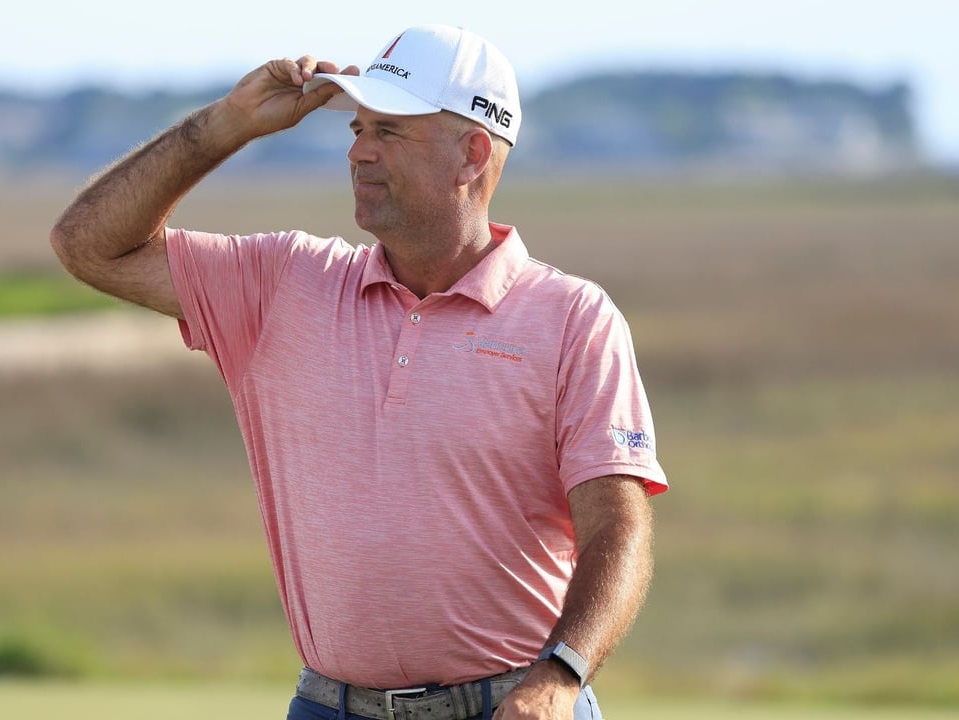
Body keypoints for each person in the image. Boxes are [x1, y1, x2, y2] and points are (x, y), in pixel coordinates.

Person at [50, 24, 668, 720]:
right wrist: (225, 126)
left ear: (470, 154)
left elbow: (618, 530)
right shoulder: (286, 280)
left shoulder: (574, 318)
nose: (358, 152)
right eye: (359, 127)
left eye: (389, 132)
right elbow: (88, 245)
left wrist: (561, 675)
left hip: (517, 709)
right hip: (329, 707)